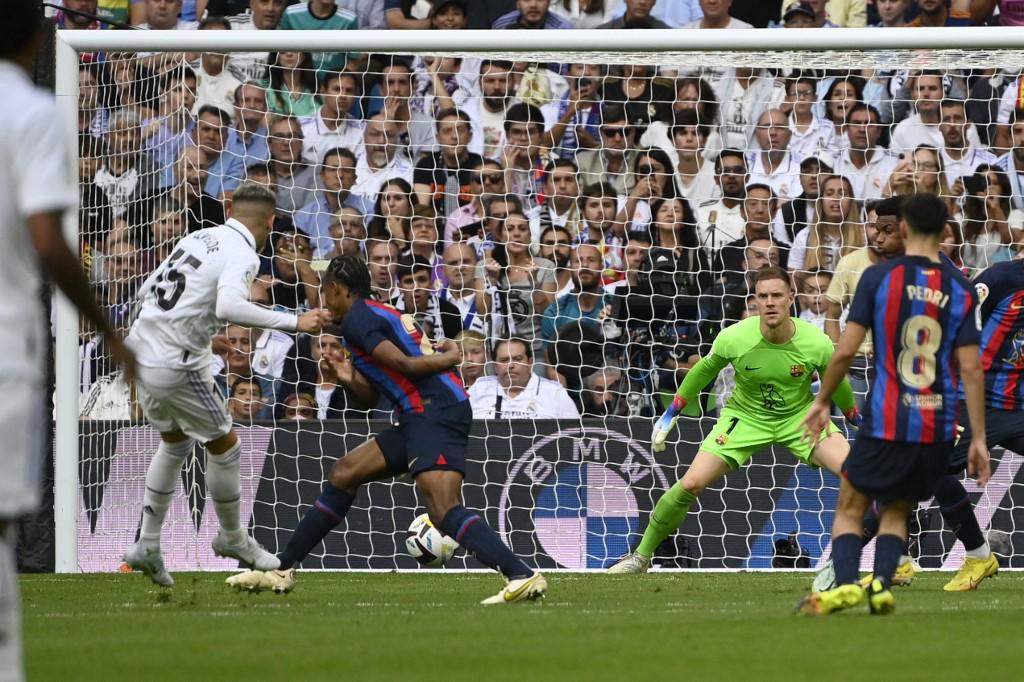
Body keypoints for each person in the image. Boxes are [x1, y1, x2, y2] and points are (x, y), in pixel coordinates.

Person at [227, 255, 548, 604]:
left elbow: (405, 365)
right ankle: (281, 568)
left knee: (442, 507)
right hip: (418, 413)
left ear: (337, 289)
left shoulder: (359, 320)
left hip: (433, 409)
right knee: (344, 473)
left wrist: (454, 357)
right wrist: (349, 378)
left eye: (325, 292)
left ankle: (521, 574)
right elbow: (372, 395)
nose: (323, 300)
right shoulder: (373, 315)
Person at [1, 4, 135, 678]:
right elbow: (50, 241)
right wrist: (109, 330)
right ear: (37, 40)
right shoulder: (29, 112)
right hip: (9, 348)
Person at [122, 183, 332, 587]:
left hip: (141, 351)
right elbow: (228, 306)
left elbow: (153, 291)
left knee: (176, 441)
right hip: (175, 362)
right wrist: (295, 321)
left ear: (231, 208)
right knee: (226, 443)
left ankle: (147, 543)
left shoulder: (198, 237)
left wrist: (205, 334)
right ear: (270, 223)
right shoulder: (244, 253)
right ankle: (232, 536)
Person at [797, 192, 989, 616]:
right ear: (944, 232)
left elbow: (845, 351)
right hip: (936, 422)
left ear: (902, 229)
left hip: (885, 415)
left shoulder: (878, 279)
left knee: (850, 508)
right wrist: (977, 437)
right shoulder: (960, 287)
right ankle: (882, 585)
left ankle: (846, 584)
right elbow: (972, 369)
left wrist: (823, 400)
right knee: (898, 510)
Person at [609, 266, 860, 574]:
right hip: (744, 418)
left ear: (791, 299)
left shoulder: (816, 342)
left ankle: (872, 555)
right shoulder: (735, 337)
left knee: (858, 476)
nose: (769, 302)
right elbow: (704, 370)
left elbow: (836, 378)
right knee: (691, 483)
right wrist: (672, 411)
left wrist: (852, 414)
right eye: (762, 296)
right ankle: (641, 556)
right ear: (755, 299)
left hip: (799, 418)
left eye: (777, 295)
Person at [468, 337, 580, 419]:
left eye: (517, 359)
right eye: (504, 360)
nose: (511, 365)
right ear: (495, 366)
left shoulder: (555, 393)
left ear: (530, 362)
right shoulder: (478, 389)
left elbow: (573, 434)